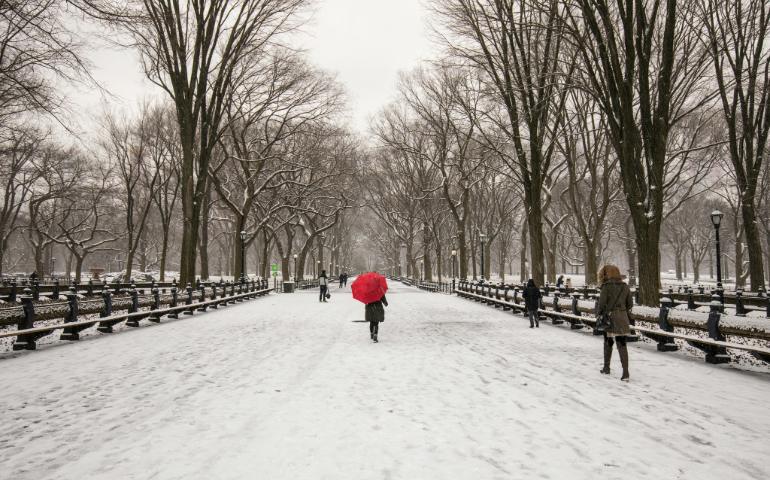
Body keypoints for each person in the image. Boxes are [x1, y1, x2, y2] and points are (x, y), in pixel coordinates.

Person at [597, 264, 633, 381]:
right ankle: (625, 372)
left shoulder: (606, 287)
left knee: (608, 342)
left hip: (610, 318)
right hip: (622, 318)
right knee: (622, 344)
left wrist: (600, 313)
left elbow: (601, 305)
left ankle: (606, 367)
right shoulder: (625, 286)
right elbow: (630, 304)